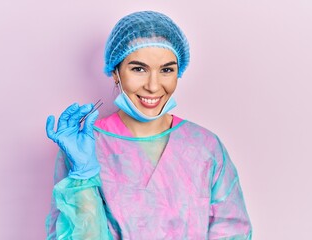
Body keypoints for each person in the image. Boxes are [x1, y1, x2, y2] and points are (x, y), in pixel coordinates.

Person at [45, 11, 252, 239]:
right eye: (138, 69)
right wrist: (83, 178)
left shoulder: (204, 147)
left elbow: (232, 232)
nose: (153, 86)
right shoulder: (85, 146)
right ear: (116, 72)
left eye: (166, 70)